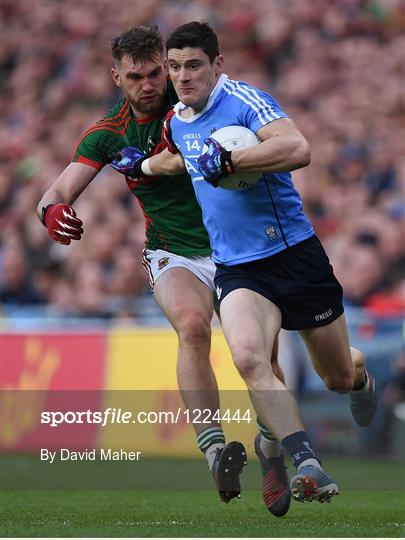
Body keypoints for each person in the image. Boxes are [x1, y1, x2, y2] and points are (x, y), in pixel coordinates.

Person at [114, 21, 377, 506]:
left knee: (336, 376)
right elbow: (181, 159)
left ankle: (361, 376)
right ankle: (308, 463)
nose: (182, 76)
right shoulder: (175, 119)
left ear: (217, 65)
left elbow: (298, 147)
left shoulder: (245, 102)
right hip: (238, 268)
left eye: (193, 65)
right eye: (174, 67)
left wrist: (235, 161)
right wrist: (143, 165)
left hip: (294, 256)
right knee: (249, 358)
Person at [36, 25, 289, 511]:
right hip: (173, 251)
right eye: (136, 77)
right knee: (193, 327)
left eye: (158, 72)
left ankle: (271, 449)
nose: (150, 84)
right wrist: (51, 213)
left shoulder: (198, 103)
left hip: (237, 249)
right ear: (117, 77)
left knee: (260, 358)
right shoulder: (107, 135)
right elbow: (57, 192)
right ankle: (215, 450)